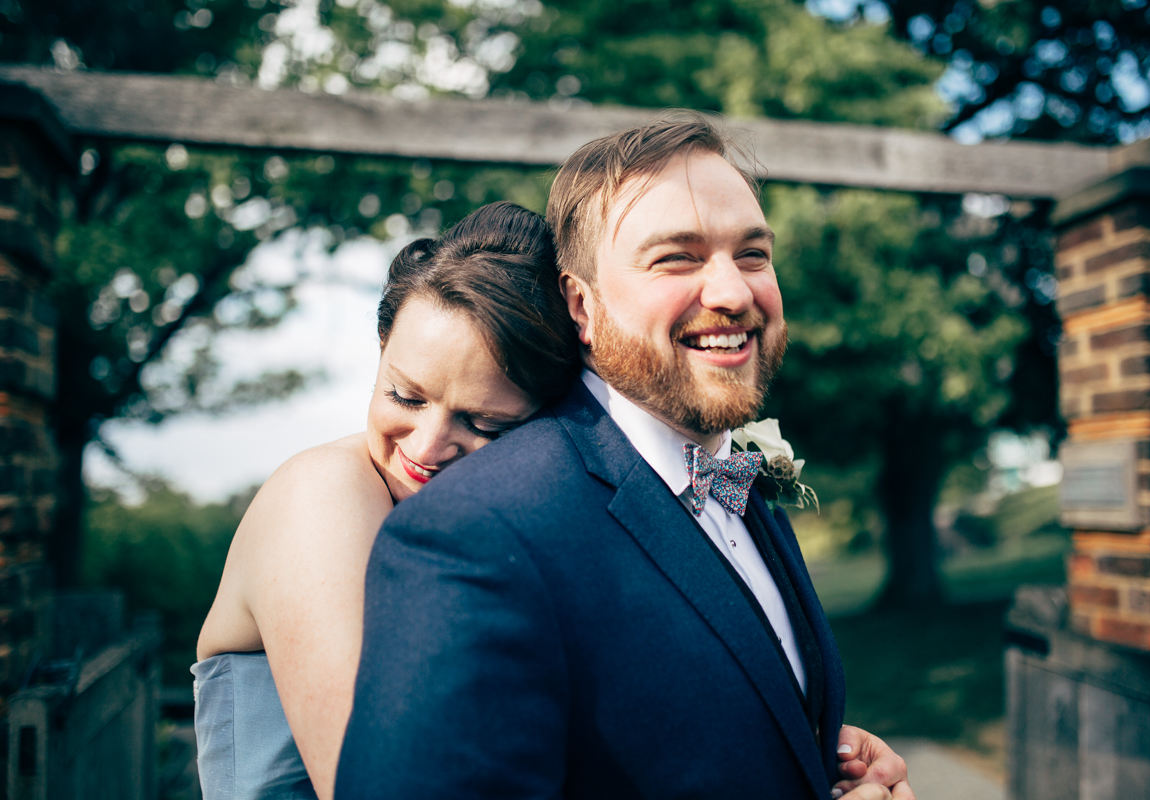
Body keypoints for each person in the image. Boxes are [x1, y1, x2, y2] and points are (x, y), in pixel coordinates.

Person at [337, 114, 913, 799]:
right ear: (580, 304)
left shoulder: (741, 488)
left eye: (752, 255)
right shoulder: (477, 534)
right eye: (678, 257)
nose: (733, 292)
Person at [192, 201, 580, 800]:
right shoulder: (321, 496)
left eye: (484, 424)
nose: (427, 447)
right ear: (381, 347)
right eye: (406, 396)